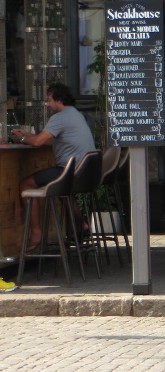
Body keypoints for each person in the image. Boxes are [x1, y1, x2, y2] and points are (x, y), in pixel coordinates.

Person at [11, 83, 96, 251]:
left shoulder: (60, 117)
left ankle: (36, 234)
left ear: (58, 99)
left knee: (25, 185)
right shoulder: (76, 115)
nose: (47, 104)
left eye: (48, 100)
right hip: (83, 174)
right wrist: (28, 136)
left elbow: (38, 142)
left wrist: (20, 139)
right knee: (63, 192)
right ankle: (81, 225)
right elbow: (47, 139)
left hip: (69, 172)